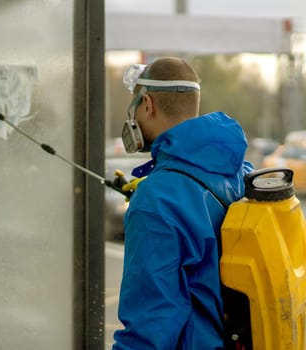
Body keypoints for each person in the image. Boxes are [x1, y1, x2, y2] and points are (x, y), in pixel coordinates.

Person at [112, 57, 253, 349]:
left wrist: (152, 200)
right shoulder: (242, 172)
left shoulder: (155, 203)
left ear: (147, 104)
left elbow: (150, 327)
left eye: (135, 106)